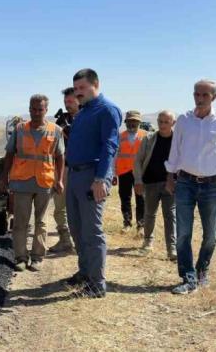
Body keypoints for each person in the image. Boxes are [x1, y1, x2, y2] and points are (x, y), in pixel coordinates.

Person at [165, 79, 216, 295]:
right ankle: (188, 277)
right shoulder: (184, 120)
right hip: (185, 182)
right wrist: (170, 177)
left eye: (205, 95)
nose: (199, 98)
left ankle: (202, 269)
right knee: (183, 233)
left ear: (214, 97)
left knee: (210, 235)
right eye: (196, 94)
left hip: (213, 184)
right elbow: (175, 151)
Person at [64, 69, 122, 298]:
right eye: (75, 89)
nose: (78, 93)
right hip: (75, 175)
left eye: (82, 88)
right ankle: (85, 271)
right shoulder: (84, 112)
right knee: (76, 228)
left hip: (92, 177)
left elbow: (109, 146)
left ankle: (97, 284)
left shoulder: (107, 110)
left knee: (92, 231)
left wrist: (101, 179)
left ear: (95, 85)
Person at [0, 94, 65, 272]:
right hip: (21, 182)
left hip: (44, 182)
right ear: (29, 109)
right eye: (34, 109)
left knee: (41, 222)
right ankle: (20, 257)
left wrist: (59, 180)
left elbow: (60, 157)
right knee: (21, 222)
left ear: (46, 110)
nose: (37, 112)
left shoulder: (56, 130)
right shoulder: (20, 129)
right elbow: (9, 155)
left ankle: (37, 257)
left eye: (40, 109)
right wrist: (3, 178)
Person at [133, 110, 177, 260]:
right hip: (150, 183)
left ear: (173, 123)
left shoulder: (179, 140)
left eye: (166, 122)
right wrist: (138, 180)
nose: (163, 125)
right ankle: (147, 243)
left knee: (170, 216)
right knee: (149, 214)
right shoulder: (149, 139)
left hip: (171, 185)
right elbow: (138, 160)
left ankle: (172, 249)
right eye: (160, 121)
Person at [49, 87, 80, 254]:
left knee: (80, 208)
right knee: (60, 207)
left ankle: (80, 242)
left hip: (83, 170)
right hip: (64, 169)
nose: (68, 104)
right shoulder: (61, 122)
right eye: (65, 102)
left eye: (71, 101)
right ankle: (65, 240)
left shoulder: (87, 119)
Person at [113, 110, 148, 234]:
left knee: (141, 198)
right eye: (130, 121)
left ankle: (141, 225)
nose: (132, 124)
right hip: (124, 172)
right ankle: (127, 223)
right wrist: (114, 174)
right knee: (125, 198)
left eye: (135, 121)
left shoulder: (146, 136)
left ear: (139, 122)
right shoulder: (120, 137)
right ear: (126, 122)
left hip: (141, 173)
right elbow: (115, 156)